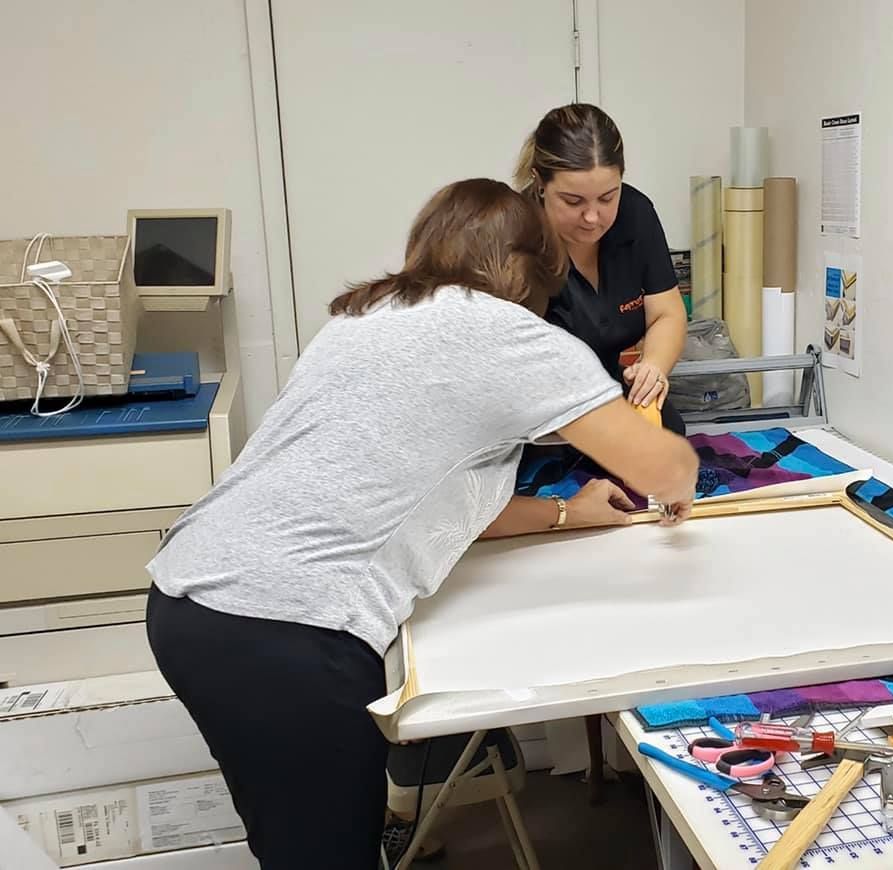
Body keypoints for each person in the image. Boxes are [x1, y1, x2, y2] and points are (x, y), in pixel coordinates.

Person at [144, 178, 699, 869]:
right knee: (327, 853)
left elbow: (438, 494)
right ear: (530, 269)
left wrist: (565, 512)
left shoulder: (364, 318)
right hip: (285, 629)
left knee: (298, 836)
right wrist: (680, 468)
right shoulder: (510, 336)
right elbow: (665, 471)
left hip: (190, 604)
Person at [514, 103, 689, 435]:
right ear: (540, 182)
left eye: (608, 198)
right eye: (573, 201)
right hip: (533, 417)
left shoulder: (635, 216)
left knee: (668, 441)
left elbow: (667, 313)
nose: (593, 217)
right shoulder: (513, 235)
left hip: (606, 393)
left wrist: (652, 367)